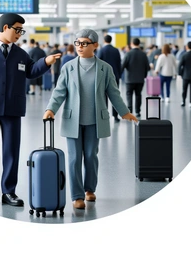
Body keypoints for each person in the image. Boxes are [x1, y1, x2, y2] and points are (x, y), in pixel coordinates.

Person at [0, 13, 61, 208]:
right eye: (17, 29)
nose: (20, 34)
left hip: (13, 108)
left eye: (21, 31)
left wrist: (45, 62)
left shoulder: (20, 53)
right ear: (5, 28)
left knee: (11, 151)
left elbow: (31, 71)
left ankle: (8, 191)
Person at [43, 29, 138, 210]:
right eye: (78, 43)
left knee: (91, 156)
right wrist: (50, 109)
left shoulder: (105, 68)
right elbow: (59, 91)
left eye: (84, 43)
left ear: (95, 45)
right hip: (73, 120)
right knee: (74, 158)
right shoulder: (68, 67)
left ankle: (89, 189)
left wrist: (124, 112)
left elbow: (113, 93)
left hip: (95, 120)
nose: (80, 46)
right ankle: (77, 195)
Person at [121, 38, 150, 117]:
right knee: (138, 95)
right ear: (139, 44)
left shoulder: (128, 54)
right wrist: (144, 75)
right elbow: (148, 67)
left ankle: (130, 111)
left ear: (131, 44)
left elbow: (122, 66)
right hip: (140, 79)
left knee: (129, 94)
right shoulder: (143, 54)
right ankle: (138, 111)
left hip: (129, 79)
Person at [97, 34, 122, 121]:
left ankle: (105, 115)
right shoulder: (116, 50)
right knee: (115, 96)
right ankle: (115, 116)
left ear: (104, 40)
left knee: (103, 96)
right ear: (111, 40)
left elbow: (97, 64)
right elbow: (119, 63)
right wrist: (119, 75)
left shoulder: (101, 50)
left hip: (103, 77)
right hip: (115, 76)